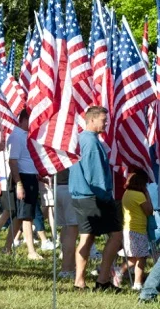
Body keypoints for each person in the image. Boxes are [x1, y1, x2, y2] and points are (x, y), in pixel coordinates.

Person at [69, 106, 123, 290]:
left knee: (86, 238)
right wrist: (106, 197)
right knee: (116, 235)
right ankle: (103, 280)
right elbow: (96, 175)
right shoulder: (91, 142)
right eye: (103, 120)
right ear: (91, 120)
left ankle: (79, 281)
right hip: (94, 196)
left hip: (79, 195)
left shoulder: (80, 139)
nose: (106, 123)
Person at [3, 110, 43, 260]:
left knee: (21, 216)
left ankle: (7, 247)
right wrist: (19, 184)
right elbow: (13, 162)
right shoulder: (17, 136)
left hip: (30, 177)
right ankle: (31, 251)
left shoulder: (27, 136)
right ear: (24, 119)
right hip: (22, 178)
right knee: (27, 216)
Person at [120, 168, 153, 291]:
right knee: (141, 257)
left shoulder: (127, 193)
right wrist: (147, 194)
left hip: (128, 228)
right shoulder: (139, 195)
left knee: (133, 258)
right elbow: (149, 210)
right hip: (137, 229)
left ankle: (119, 271)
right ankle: (137, 283)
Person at [54, 165, 79, 279]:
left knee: (66, 228)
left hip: (57, 186)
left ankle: (68, 265)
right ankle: (67, 269)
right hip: (69, 188)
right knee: (72, 230)